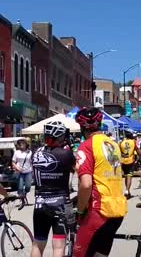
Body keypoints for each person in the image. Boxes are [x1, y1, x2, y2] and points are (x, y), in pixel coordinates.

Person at [74, 107, 127, 257]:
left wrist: (79, 210)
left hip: (98, 210)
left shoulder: (86, 146)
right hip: (117, 209)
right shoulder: (113, 144)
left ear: (82, 127)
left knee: (80, 254)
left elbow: (86, 184)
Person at [30, 121, 76, 257]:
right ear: (60, 136)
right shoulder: (66, 154)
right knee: (58, 245)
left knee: (38, 243)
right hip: (59, 203)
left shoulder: (36, 153)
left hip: (40, 203)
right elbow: (78, 170)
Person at [119, 131, 141, 198]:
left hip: (123, 161)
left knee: (126, 176)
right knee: (129, 176)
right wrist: (140, 155)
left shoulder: (121, 143)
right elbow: (138, 150)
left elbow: (119, 152)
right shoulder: (133, 142)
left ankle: (127, 191)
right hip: (130, 160)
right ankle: (127, 189)